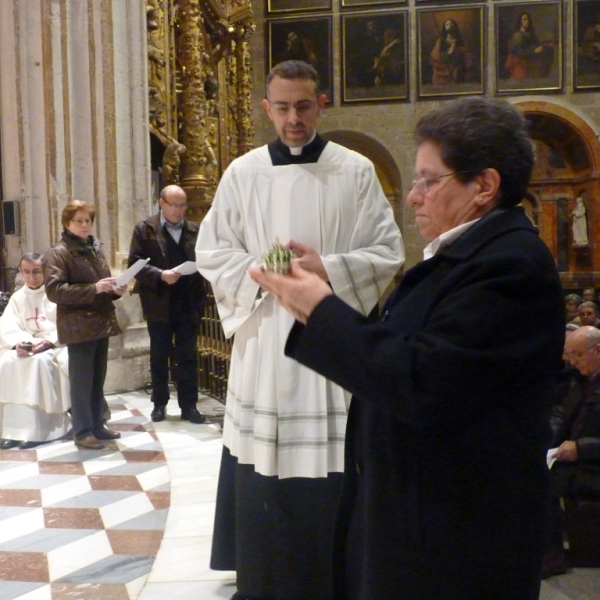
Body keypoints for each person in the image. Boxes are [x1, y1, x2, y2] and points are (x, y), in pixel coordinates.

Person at [250, 96, 565, 599]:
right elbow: (406, 348)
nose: (413, 196)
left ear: (483, 186)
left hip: (458, 538)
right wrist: (321, 288)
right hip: (425, 519)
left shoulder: (508, 266)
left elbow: (421, 379)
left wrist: (319, 308)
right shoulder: (469, 256)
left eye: (428, 179)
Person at [196, 60, 403, 600]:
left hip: (330, 339)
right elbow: (212, 250)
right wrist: (273, 269)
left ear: (322, 103)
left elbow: (387, 252)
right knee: (266, 467)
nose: (293, 119)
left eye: (304, 106)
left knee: (332, 464)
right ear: (267, 108)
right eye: (282, 107)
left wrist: (324, 269)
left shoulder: (355, 170)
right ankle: (266, 577)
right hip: (264, 341)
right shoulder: (242, 173)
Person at [43, 200, 126, 450]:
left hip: (100, 321)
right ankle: (82, 431)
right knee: (81, 381)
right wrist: (94, 288)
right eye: (78, 220)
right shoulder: (59, 252)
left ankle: (97, 424)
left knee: (97, 379)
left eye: (88, 220)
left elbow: (102, 284)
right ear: (67, 223)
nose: (84, 225)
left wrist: (115, 289)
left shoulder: (93, 248)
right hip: (78, 325)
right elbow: (55, 291)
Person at [128, 184, 207, 424]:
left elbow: (205, 259)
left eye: (183, 205)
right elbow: (135, 263)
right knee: (159, 354)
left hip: (188, 301)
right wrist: (160, 274)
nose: (179, 210)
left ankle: (189, 406)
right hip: (159, 301)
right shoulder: (145, 228)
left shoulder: (194, 230)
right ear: (161, 203)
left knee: (188, 356)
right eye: (174, 204)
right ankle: (159, 404)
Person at [545, 326, 600, 577]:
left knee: (543, 483)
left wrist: (580, 448)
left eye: (577, 354)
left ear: (598, 349)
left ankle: (552, 554)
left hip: (592, 463)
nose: (572, 361)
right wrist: (546, 438)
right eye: (568, 355)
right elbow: (561, 414)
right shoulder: (579, 379)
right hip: (579, 459)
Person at [0, 253, 70, 450]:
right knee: (7, 361)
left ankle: (41, 430)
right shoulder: (17, 298)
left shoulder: (56, 294)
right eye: (26, 272)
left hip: (52, 347)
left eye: (36, 272)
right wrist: (19, 344)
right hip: (25, 346)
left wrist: (48, 342)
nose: (31, 277)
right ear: (21, 273)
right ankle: (11, 430)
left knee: (39, 363)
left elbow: (65, 324)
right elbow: (7, 327)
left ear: (45, 271)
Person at [505, 12, 554, 80]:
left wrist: (547, 45)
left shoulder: (531, 35)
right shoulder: (517, 35)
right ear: (520, 22)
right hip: (522, 62)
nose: (527, 21)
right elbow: (519, 52)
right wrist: (534, 51)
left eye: (528, 19)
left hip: (531, 60)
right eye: (524, 19)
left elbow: (537, 44)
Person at [429, 18, 474, 85]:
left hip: (456, 61)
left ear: (454, 26)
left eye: (451, 24)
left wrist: (455, 48)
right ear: (445, 27)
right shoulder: (441, 40)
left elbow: (465, 51)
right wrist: (448, 52)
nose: (449, 26)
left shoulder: (458, 40)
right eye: (447, 24)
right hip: (444, 59)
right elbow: (435, 53)